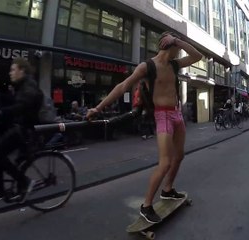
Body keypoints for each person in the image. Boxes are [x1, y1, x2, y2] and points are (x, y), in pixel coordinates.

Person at [86, 32, 202, 223]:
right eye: (177, 48)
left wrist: (179, 41)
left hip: (176, 114)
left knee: (179, 156)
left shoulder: (174, 65)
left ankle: (167, 190)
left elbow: (198, 57)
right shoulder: (147, 67)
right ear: (168, 46)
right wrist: (98, 108)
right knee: (165, 162)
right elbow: (122, 86)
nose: (179, 52)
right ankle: (146, 205)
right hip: (162, 115)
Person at [0, 58, 42, 202]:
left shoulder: (28, 87)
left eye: (13, 69)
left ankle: (24, 182)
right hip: (21, 128)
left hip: (25, 131)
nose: (10, 73)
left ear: (22, 70)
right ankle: (0, 189)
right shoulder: (22, 85)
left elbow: (21, 107)